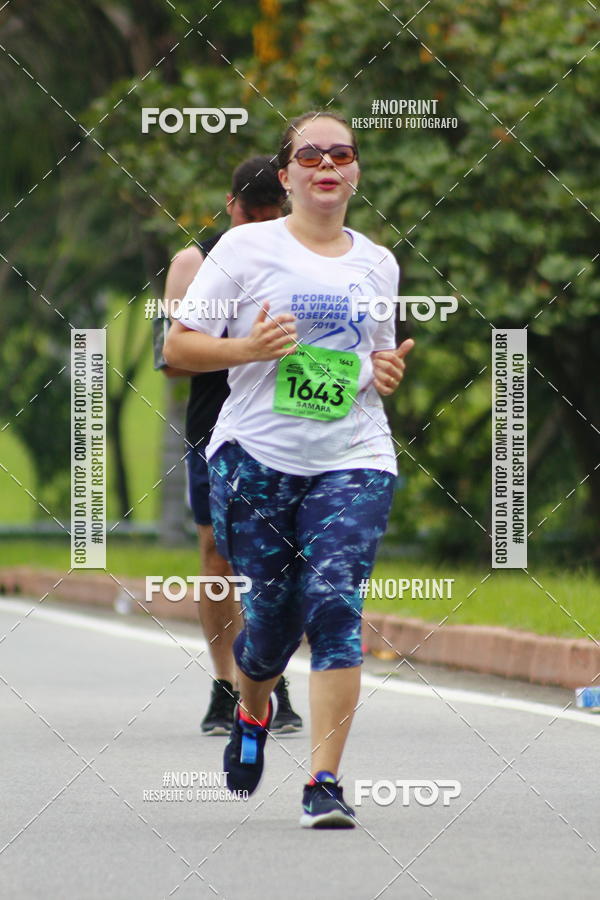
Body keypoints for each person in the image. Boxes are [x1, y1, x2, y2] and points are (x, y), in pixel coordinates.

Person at [165, 111, 413, 828]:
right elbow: (180, 349)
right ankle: (251, 709)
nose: (327, 163)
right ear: (288, 174)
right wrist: (248, 350)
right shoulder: (244, 250)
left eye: (342, 152)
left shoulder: (378, 262)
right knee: (271, 625)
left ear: (356, 171)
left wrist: (384, 370)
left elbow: (371, 358)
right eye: (311, 153)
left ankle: (324, 782)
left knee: (335, 605)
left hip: (354, 455)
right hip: (256, 457)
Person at [161, 156, 303, 735]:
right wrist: (246, 345)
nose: (258, 226)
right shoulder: (194, 262)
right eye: (250, 215)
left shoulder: (305, 258)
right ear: (230, 206)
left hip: (286, 429)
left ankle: (269, 679)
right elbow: (171, 359)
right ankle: (226, 686)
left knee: (280, 562)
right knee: (218, 559)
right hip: (214, 430)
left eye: (271, 215)